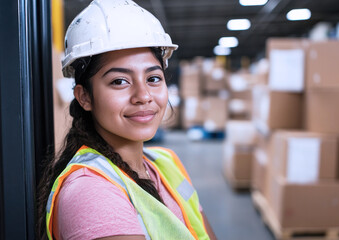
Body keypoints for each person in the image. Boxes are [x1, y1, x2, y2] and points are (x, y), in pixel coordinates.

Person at [37, 0, 217, 239]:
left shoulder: (166, 162)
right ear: (84, 97)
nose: (143, 96)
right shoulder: (90, 191)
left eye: (153, 78)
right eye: (119, 81)